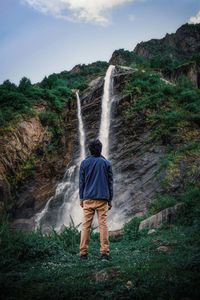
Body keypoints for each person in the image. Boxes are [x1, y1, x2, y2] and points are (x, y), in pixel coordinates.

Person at [79, 139, 113, 261]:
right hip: (103, 199)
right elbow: (110, 183)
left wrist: (81, 198)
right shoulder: (106, 163)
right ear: (100, 149)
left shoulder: (84, 163)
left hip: (87, 198)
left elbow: (81, 183)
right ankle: (104, 253)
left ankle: (83, 254)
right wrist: (110, 199)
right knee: (103, 225)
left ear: (90, 150)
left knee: (85, 226)